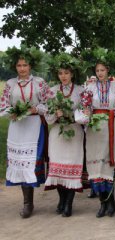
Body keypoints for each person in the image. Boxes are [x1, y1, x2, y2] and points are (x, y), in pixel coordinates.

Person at [0, 46, 51, 218]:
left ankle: (30, 202)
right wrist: (11, 111)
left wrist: (37, 109)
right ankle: (27, 203)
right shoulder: (10, 84)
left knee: (31, 161)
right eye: (19, 65)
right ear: (15, 67)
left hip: (34, 126)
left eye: (25, 65)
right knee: (20, 161)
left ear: (31, 66)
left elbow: (49, 103)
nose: (22, 68)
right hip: (17, 127)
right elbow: (3, 105)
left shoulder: (39, 83)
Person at [76, 48, 115, 218]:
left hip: (110, 129)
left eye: (102, 70)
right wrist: (86, 113)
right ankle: (102, 203)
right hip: (94, 130)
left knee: (108, 164)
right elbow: (86, 107)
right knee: (96, 165)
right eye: (97, 70)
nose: (99, 73)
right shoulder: (89, 87)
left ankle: (111, 203)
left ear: (108, 70)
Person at [44, 53, 84, 217]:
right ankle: (61, 200)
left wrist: (73, 115)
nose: (63, 76)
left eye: (66, 73)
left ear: (72, 74)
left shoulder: (81, 91)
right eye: (60, 73)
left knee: (71, 168)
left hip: (74, 132)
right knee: (58, 168)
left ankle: (68, 204)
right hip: (57, 133)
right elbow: (47, 116)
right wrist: (56, 114)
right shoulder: (52, 91)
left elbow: (85, 113)